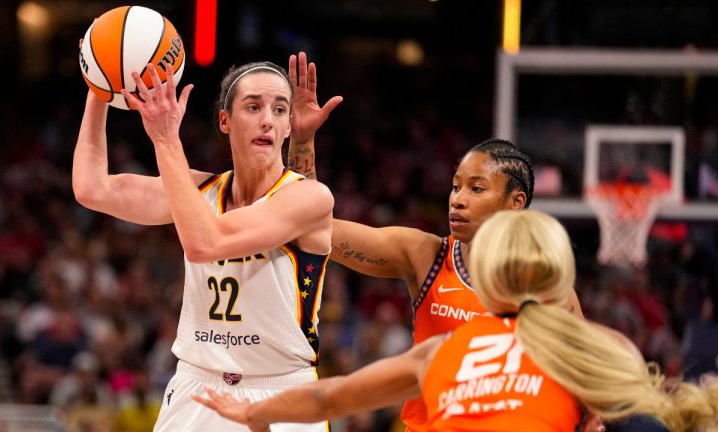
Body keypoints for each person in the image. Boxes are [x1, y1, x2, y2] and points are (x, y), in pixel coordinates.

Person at [192, 210, 718, 432]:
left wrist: (253, 414)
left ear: (487, 278)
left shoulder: (442, 352)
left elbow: (329, 398)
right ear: (560, 277)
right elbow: (648, 416)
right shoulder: (596, 348)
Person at [285, 54, 583, 431]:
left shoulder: (547, 287)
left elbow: (583, 385)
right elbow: (311, 228)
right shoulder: (426, 256)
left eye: (476, 189)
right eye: (456, 186)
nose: (457, 198)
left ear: (516, 202)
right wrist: (303, 140)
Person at [72, 52, 341, 431]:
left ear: (288, 127)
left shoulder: (310, 198)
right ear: (225, 121)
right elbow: (91, 188)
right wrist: (99, 82)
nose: (268, 118)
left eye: (280, 109)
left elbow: (204, 243)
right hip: (197, 386)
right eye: (253, 106)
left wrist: (165, 138)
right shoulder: (200, 190)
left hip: (279, 392)